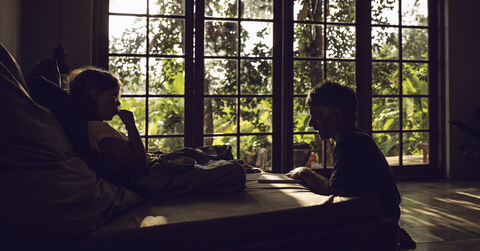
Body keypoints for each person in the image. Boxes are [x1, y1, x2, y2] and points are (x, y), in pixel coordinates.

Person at [68, 66, 246, 195]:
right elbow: (138, 167)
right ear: (95, 94)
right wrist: (131, 125)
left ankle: (218, 159)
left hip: (156, 164)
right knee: (235, 171)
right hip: (153, 177)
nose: (118, 102)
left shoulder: (98, 126)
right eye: (114, 95)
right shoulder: (97, 130)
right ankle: (223, 164)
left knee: (192, 152)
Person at [286, 81, 416, 249]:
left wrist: (304, 172)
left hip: (380, 218)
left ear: (337, 115)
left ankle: (389, 234)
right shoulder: (357, 136)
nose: (311, 124)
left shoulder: (350, 142)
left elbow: (337, 190)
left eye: (316, 117)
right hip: (385, 212)